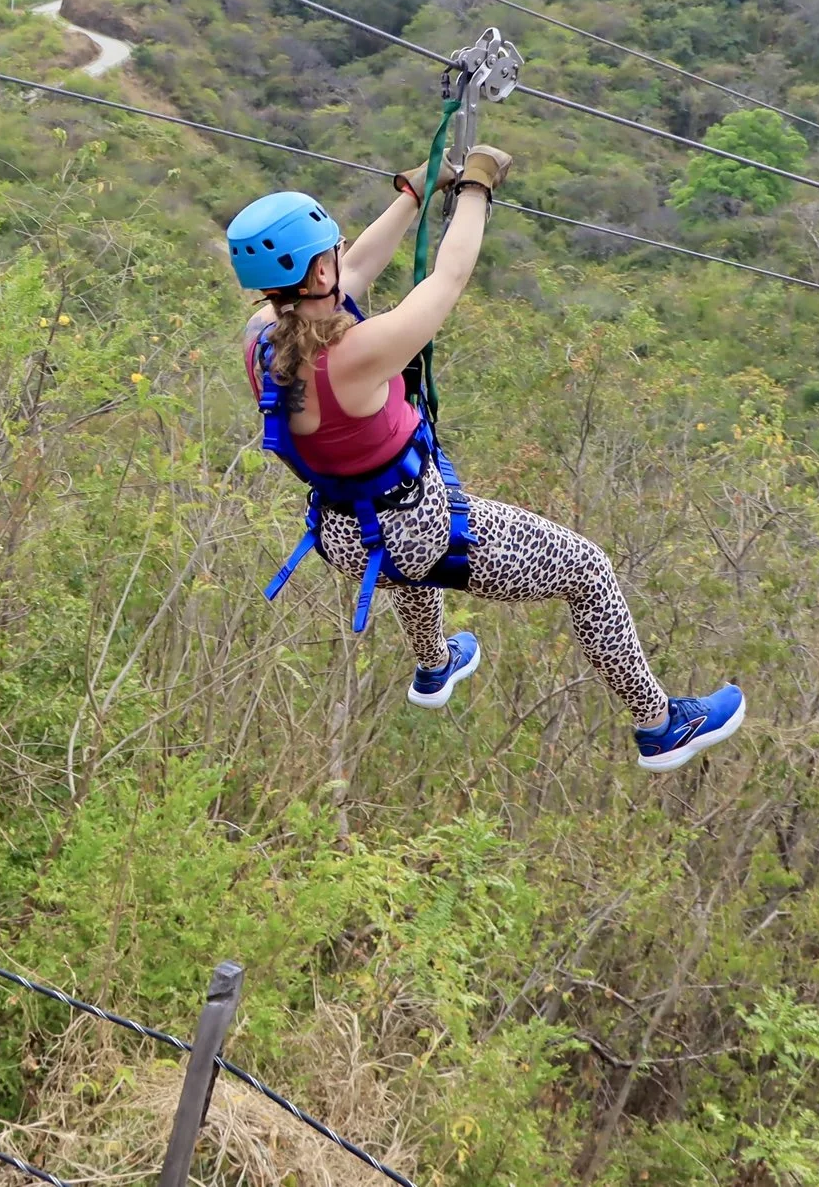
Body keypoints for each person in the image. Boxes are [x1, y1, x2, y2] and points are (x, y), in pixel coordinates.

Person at [227, 145, 744, 771]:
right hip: (413, 526)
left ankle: (434, 666)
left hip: (341, 534)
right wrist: (475, 189)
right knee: (587, 571)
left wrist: (416, 193)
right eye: (328, 251)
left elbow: (358, 265)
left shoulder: (261, 338)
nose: (342, 257)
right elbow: (446, 280)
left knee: (404, 569)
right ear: (316, 275)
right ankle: (661, 724)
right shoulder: (358, 355)